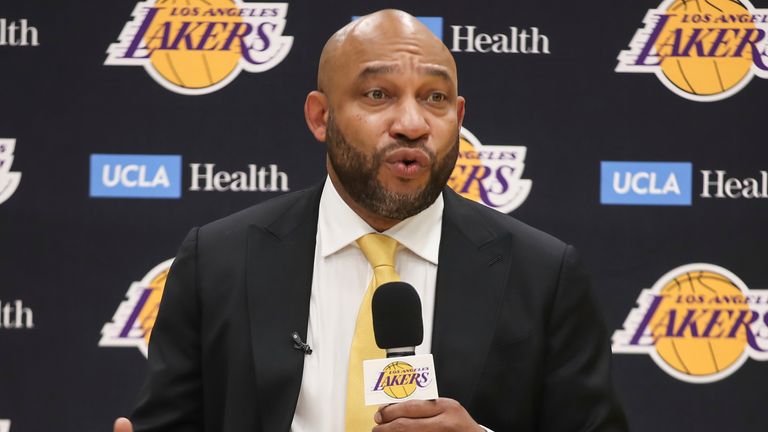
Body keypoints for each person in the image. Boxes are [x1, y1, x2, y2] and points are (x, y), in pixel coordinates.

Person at [114, 9, 628, 432]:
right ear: (321, 116)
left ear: (459, 116)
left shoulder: (543, 274)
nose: (412, 124)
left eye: (435, 98)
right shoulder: (219, 260)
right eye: (377, 95)